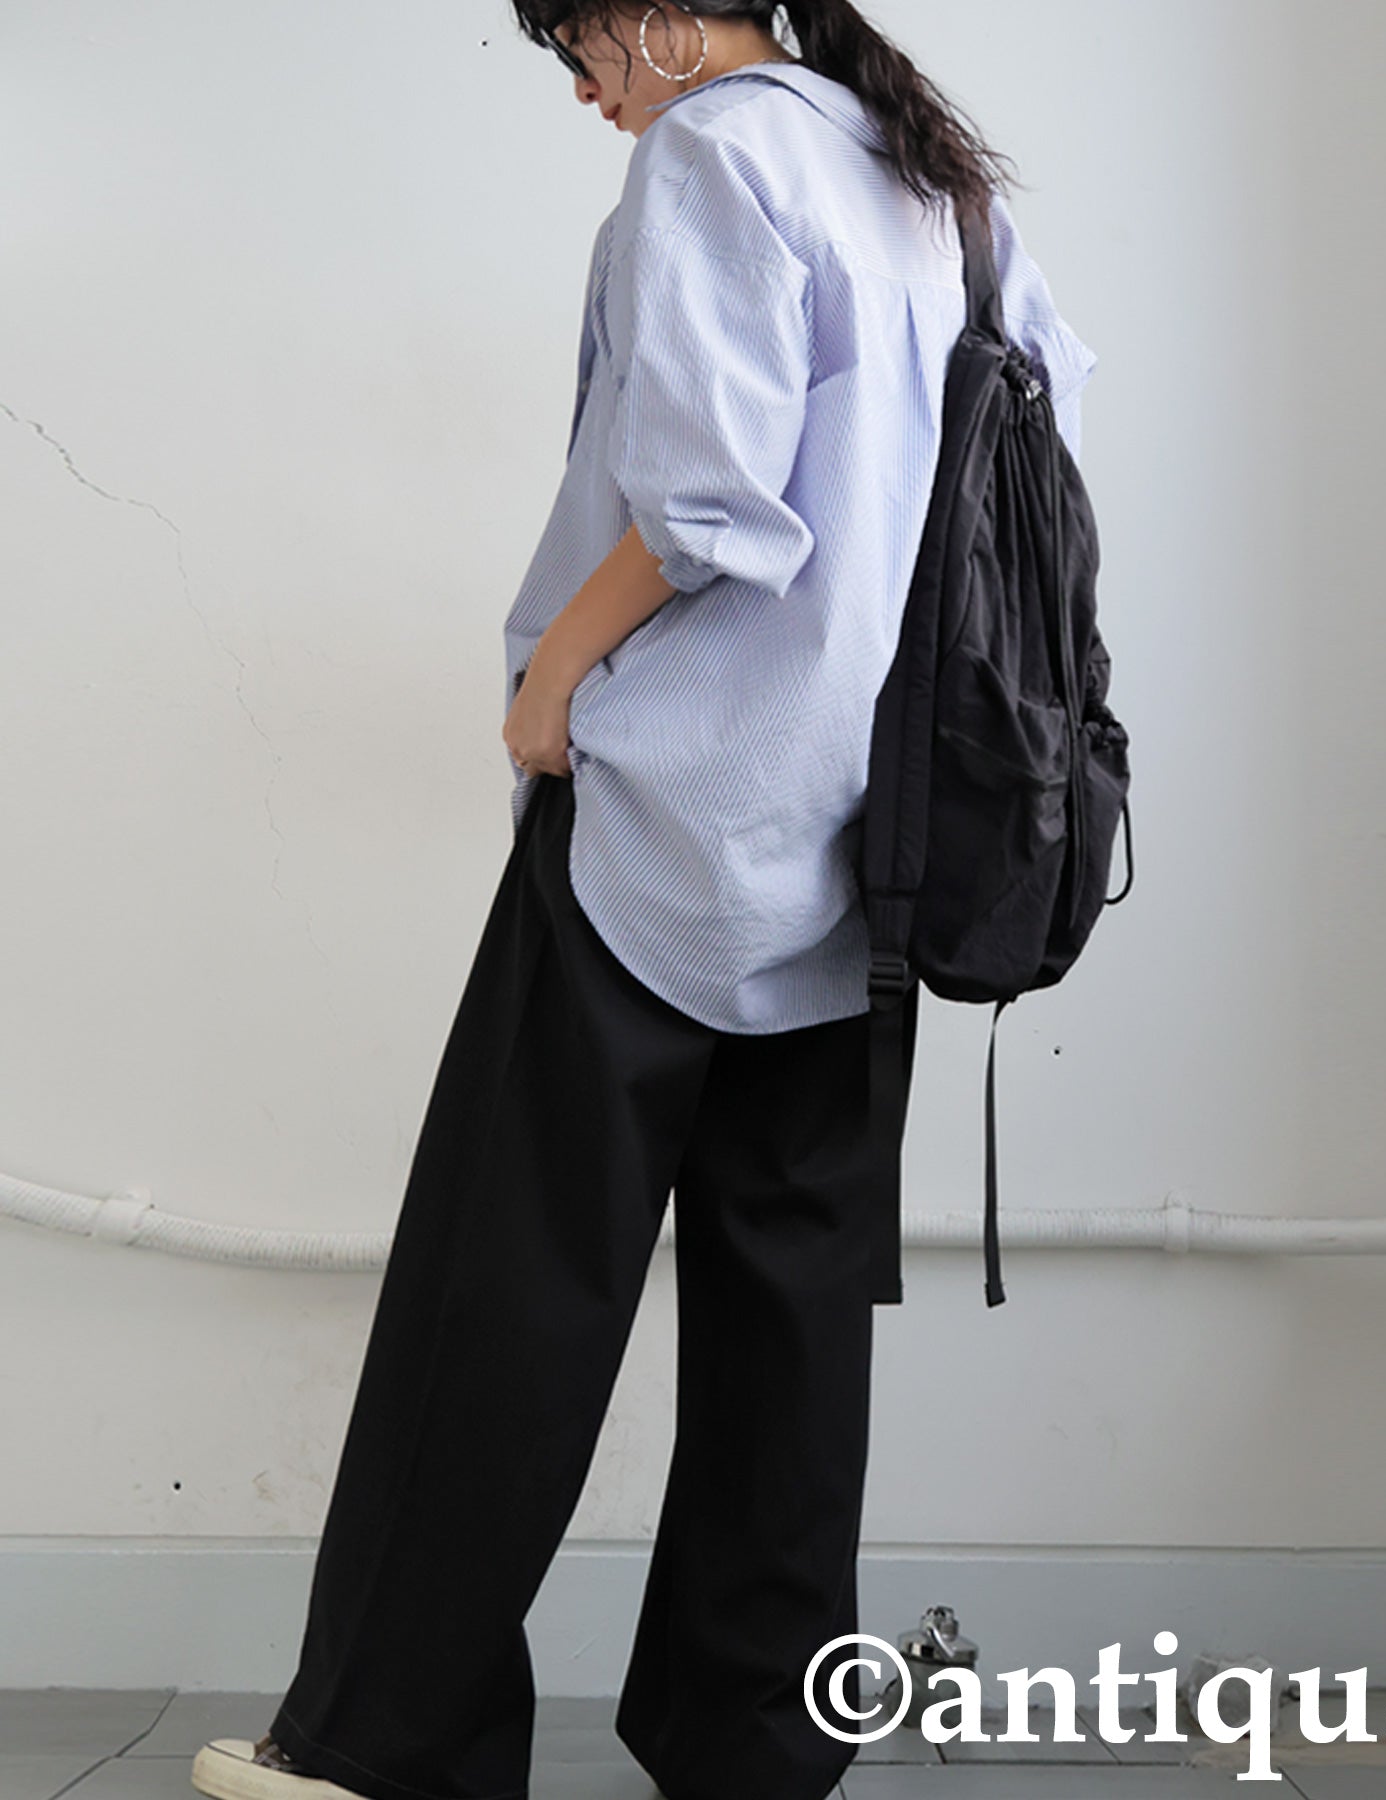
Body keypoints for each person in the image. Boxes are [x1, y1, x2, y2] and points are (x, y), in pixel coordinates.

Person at [190, 6, 1096, 1800]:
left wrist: (553, 684)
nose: (587, 93)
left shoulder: (716, 154)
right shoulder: (938, 182)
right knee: (792, 1314)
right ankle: (754, 1746)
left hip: (676, 813)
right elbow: (1043, 451)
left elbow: (705, 508)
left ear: (667, 18)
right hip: (882, 843)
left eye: (581, 46)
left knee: (504, 1284)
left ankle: (382, 1749)